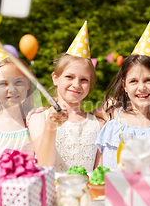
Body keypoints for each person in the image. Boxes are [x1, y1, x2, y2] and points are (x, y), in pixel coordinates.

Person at [93, 23, 150, 169]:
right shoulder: (112, 110)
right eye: (133, 81)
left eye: (149, 80)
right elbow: (83, 119)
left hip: (142, 190)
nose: (141, 88)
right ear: (124, 85)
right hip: (106, 189)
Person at [29, 22, 102, 172]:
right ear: (55, 78)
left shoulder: (98, 124)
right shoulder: (39, 119)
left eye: (84, 80)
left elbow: (98, 173)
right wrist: (50, 127)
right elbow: (44, 166)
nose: (76, 84)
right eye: (69, 77)